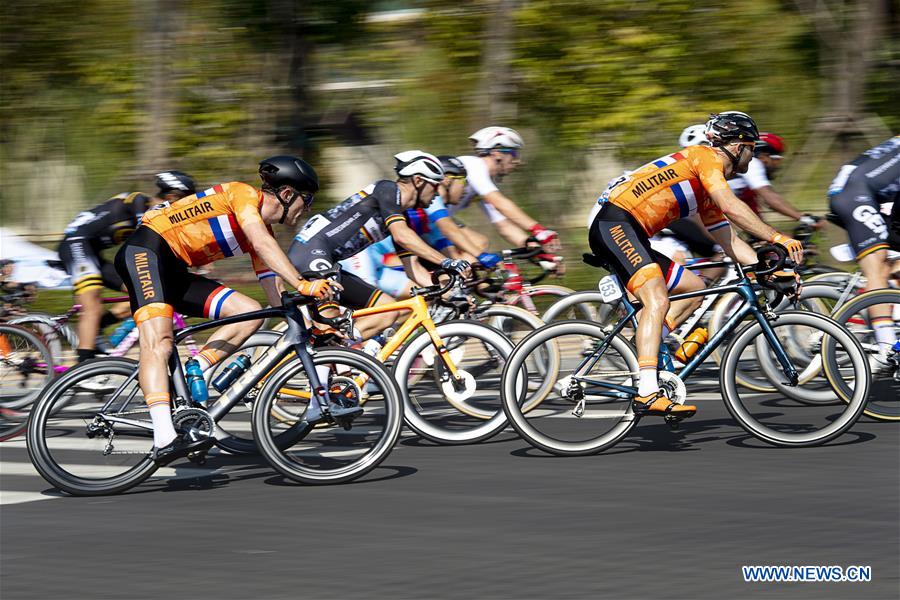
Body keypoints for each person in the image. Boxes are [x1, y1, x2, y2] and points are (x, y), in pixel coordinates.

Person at [114, 156, 338, 464]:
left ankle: (199, 366)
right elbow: (260, 243)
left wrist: (308, 325)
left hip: (172, 269)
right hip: (145, 252)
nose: (308, 208)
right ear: (287, 195)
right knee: (160, 343)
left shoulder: (262, 234)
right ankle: (164, 436)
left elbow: (277, 296)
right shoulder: (243, 195)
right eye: (307, 200)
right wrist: (304, 283)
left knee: (249, 310)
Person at [589, 111, 804, 418]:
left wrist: (763, 267)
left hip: (630, 230)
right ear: (736, 146)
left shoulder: (704, 189)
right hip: (615, 223)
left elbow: (727, 240)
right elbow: (731, 205)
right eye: (752, 148)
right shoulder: (706, 158)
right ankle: (648, 392)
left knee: (694, 287)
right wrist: (777, 237)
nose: (754, 156)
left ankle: (649, 349)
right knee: (657, 298)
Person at [288, 151, 470, 341]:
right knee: (327, 326)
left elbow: (413, 268)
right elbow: (402, 236)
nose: (437, 193)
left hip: (328, 260)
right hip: (311, 251)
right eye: (434, 185)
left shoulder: (400, 216)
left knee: (387, 311)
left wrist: (449, 294)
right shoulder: (387, 189)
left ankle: (341, 353)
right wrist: (447, 261)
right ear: (418, 180)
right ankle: (323, 357)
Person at [59, 171, 196, 362]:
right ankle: (83, 367)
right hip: (76, 243)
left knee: (140, 290)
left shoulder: (159, 215)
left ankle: (98, 327)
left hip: (92, 251)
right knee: (92, 306)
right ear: (173, 196)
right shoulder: (141, 202)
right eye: (185, 201)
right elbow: (148, 239)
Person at [827, 135, 900, 364]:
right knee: (876, 268)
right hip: (857, 195)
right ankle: (886, 347)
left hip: (860, 193)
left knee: (890, 263)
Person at [450, 127, 562, 256]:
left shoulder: (485, 182)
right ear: (497, 153)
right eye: (514, 154)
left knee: (475, 247)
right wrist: (538, 230)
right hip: (428, 217)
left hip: (436, 221)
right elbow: (499, 202)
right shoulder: (474, 165)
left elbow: (504, 226)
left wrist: (537, 251)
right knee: (478, 244)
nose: (517, 161)